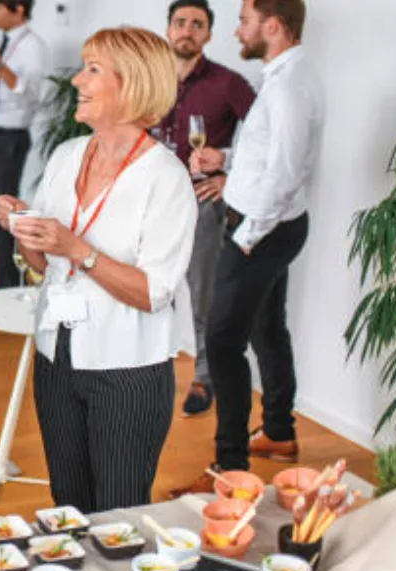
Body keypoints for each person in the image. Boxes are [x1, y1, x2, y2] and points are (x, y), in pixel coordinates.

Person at [0, 27, 196, 512]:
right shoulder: (67, 157)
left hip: (126, 371)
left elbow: (154, 292)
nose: (77, 81)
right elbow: (46, 267)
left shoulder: (166, 179)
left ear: (131, 85)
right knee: (69, 505)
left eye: (93, 69)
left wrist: (78, 249)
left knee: (119, 513)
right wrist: (26, 233)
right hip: (57, 357)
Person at [173, 0, 323, 495]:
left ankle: (229, 467)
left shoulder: (288, 89)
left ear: (272, 26)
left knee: (221, 341)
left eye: (243, 20)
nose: (237, 29)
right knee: (267, 328)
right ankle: (279, 432)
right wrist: (228, 158)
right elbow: (270, 154)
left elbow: (283, 175)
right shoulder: (284, 77)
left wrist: (245, 237)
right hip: (271, 227)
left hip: (261, 231)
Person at [156, 0, 255, 416]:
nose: (187, 30)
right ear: (167, 28)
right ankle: (146, 368)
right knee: (148, 288)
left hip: (201, 204)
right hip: (154, 200)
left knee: (202, 294)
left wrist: (228, 177)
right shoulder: (152, 79)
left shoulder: (228, 83)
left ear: (209, 35)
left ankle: (203, 378)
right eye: (180, 22)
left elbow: (265, 142)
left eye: (197, 24)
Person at [0, 0, 49, 291]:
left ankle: (10, 281)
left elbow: (28, 94)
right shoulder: (2, 42)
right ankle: (4, 277)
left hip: (8, 140)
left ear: (18, 9)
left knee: (5, 211)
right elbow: (2, 90)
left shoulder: (33, 47)